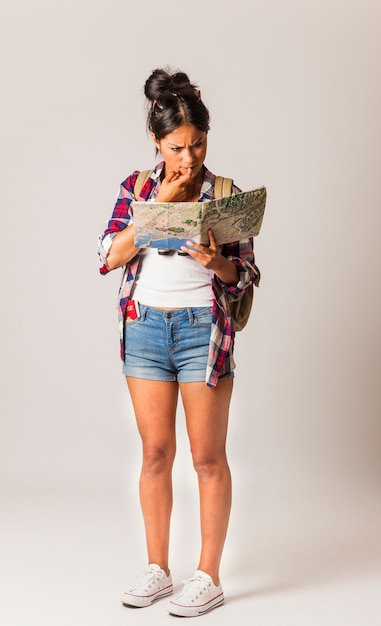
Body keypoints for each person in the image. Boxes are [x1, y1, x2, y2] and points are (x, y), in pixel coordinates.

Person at [97, 67, 260, 618]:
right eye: (175, 147)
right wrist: (156, 211)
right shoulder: (138, 187)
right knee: (154, 454)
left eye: (197, 145)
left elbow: (246, 276)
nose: (187, 158)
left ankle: (208, 576)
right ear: (156, 141)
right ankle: (156, 569)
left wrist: (220, 264)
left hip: (201, 331)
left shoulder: (225, 195)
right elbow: (105, 256)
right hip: (144, 326)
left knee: (208, 458)